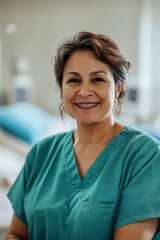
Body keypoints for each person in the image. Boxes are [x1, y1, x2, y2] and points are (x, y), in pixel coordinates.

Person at [6, 31, 160, 240]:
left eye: (97, 79)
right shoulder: (41, 153)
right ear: (62, 89)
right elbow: (16, 234)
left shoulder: (144, 156)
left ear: (118, 87)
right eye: (73, 80)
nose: (85, 91)